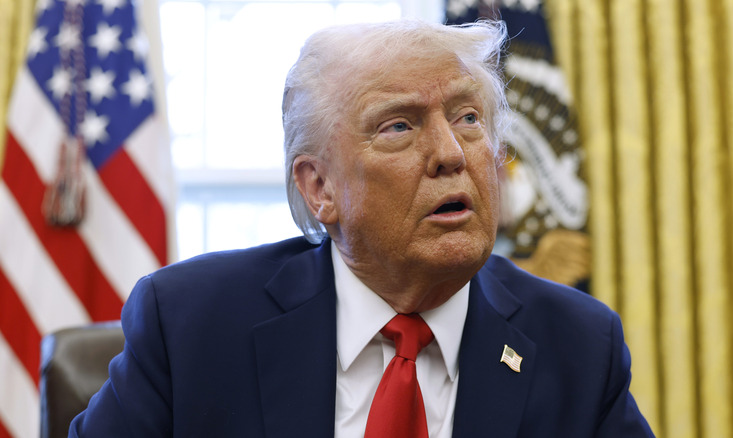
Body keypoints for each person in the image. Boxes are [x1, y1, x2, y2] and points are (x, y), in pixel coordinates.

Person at [69, 19, 654, 437]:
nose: (451, 153)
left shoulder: (577, 345)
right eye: (399, 126)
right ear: (319, 187)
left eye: (469, 118)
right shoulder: (192, 324)